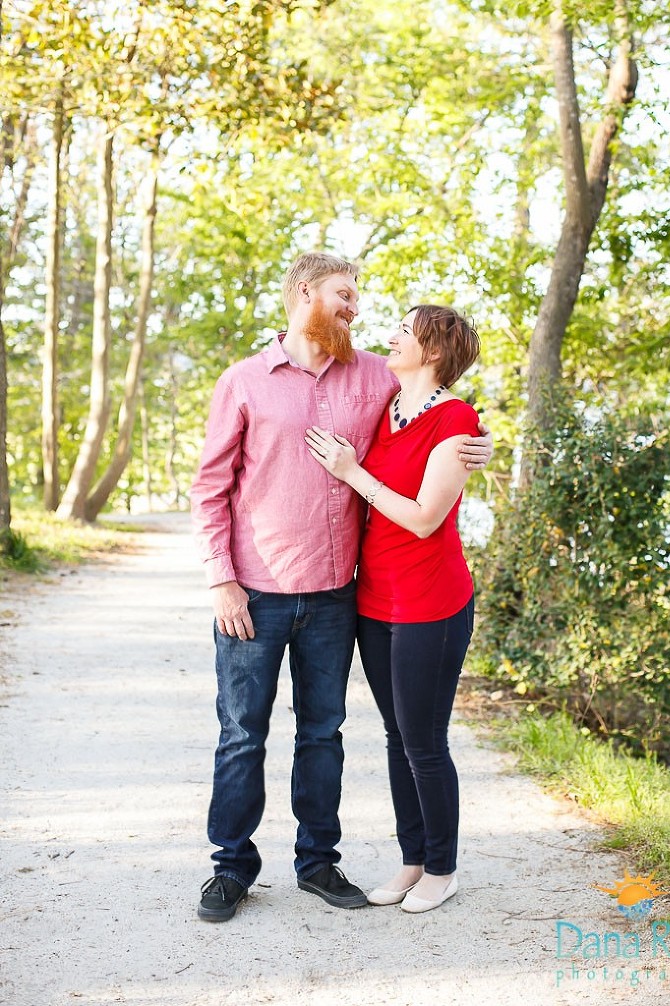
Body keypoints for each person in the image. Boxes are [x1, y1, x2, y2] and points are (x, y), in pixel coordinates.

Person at [189, 254, 492, 923]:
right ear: (306, 294)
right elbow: (210, 488)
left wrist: (482, 441)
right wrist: (221, 580)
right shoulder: (243, 381)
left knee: (324, 734)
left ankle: (317, 862)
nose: (358, 309)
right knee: (242, 733)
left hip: (336, 596)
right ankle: (231, 867)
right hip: (255, 592)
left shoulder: (377, 376)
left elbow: (443, 406)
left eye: (358, 298)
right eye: (345, 296)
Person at [304, 304, 481, 914]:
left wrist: (353, 474)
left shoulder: (456, 420)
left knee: (425, 740)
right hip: (375, 595)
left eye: (404, 332)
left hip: (430, 600)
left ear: (432, 351)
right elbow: (326, 352)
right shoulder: (388, 404)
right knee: (395, 733)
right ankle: (413, 859)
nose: (391, 337)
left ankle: (443, 867)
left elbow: (426, 518)